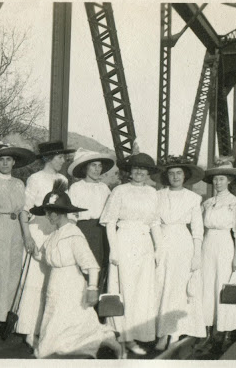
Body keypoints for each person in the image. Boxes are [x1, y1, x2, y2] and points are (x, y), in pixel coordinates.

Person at [32, 180, 121, 359]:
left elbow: (91, 265)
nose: (48, 216)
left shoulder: (74, 233)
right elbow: (45, 256)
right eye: (48, 212)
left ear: (61, 213)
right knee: (59, 319)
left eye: (51, 212)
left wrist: (92, 289)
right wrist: (34, 250)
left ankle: (105, 342)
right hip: (55, 284)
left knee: (73, 320)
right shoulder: (53, 235)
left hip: (72, 284)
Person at [99, 152, 162, 356]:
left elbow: (154, 223)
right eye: (135, 168)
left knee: (141, 291)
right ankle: (122, 338)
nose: (139, 172)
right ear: (130, 171)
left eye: (143, 169)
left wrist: (158, 248)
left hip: (144, 244)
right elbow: (109, 222)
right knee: (124, 288)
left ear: (148, 172)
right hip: (124, 240)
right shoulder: (119, 191)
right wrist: (114, 250)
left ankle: (135, 335)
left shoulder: (153, 193)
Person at [16, 140, 75, 348]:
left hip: (55, 231)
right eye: (60, 157)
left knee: (53, 282)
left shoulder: (63, 180)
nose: (63, 161)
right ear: (49, 158)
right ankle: (30, 330)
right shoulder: (35, 179)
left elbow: (67, 210)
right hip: (38, 230)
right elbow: (24, 210)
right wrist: (27, 237)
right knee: (36, 281)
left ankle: (48, 328)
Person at [0, 140, 36, 336]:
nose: (5, 163)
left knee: (12, 273)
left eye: (8, 159)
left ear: (13, 162)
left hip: (16, 231)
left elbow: (22, 211)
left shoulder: (19, 184)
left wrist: (27, 236)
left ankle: (5, 316)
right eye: (1, 160)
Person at [153, 155, 206, 351]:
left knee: (179, 289)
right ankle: (161, 333)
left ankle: (174, 333)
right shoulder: (158, 195)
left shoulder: (193, 198)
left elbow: (198, 229)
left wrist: (197, 254)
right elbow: (154, 221)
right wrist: (158, 246)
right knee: (162, 286)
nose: (175, 177)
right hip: (164, 243)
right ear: (167, 177)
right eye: (172, 173)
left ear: (185, 176)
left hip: (183, 244)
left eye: (179, 173)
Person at [200, 159, 236, 348]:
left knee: (225, 286)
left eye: (222, 179)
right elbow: (200, 228)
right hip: (208, 245)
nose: (218, 182)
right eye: (215, 179)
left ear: (229, 180)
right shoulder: (207, 203)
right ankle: (206, 330)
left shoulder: (235, 203)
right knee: (207, 284)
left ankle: (226, 330)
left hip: (225, 246)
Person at [67, 149, 115, 285]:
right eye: (93, 165)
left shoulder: (104, 188)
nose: (97, 169)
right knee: (85, 263)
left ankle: (97, 300)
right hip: (84, 229)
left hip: (102, 230)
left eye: (99, 166)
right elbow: (71, 213)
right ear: (85, 168)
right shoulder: (76, 187)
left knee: (101, 264)